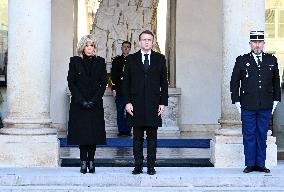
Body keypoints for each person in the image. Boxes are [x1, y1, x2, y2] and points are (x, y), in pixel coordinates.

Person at [230, 30, 281, 173]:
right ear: (250, 44)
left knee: (262, 135)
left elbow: (276, 82)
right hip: (247, 105)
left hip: (266, 104)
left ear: (264, 43)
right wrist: (236, 102)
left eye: (260, 42)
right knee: (249, 135)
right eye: (254, 42)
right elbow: (234, 82)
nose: (257, 45)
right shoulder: (241, 60)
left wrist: (276, 100)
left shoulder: (271, 60)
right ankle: (250, 164)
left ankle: (261, 164)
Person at [122, 30, 168, 175]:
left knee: (152, 138)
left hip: (154, 104)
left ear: (152, 41)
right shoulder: (131, 59)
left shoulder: (160, 59)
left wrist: (163, 103)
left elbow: (164, 83)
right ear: (139, 42)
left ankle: (151, 166)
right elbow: (126, 83)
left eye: (149, 39)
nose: (147, 42)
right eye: (144, 39)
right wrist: (127, 102)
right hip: (136, 104)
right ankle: (137, 165)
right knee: (137, 138)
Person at [67, 34, 107, 174]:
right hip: (79, 104)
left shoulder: (101, 62)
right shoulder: (74, 61)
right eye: (87, 45)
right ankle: (83, 161)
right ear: (82, 47)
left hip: (95, 103)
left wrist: (94, 100)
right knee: (82, 133)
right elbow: (71, 83)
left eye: (92, 45)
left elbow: (103, 84)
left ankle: (92, 160)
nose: (89, 48)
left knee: (93, 133)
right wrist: (82, 100)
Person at [111, 41, 132, 137]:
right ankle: (121, 130)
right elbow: (113, 75)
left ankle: (128, 130)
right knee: (120, 111)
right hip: (120, 90)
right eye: (124, 47)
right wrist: (114, 89)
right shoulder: (116, 60)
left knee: (130, 111)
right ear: (121, 48)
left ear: (130, 48)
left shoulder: (134, 60)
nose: (126, 48)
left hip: (131, 91)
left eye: (128, 47)